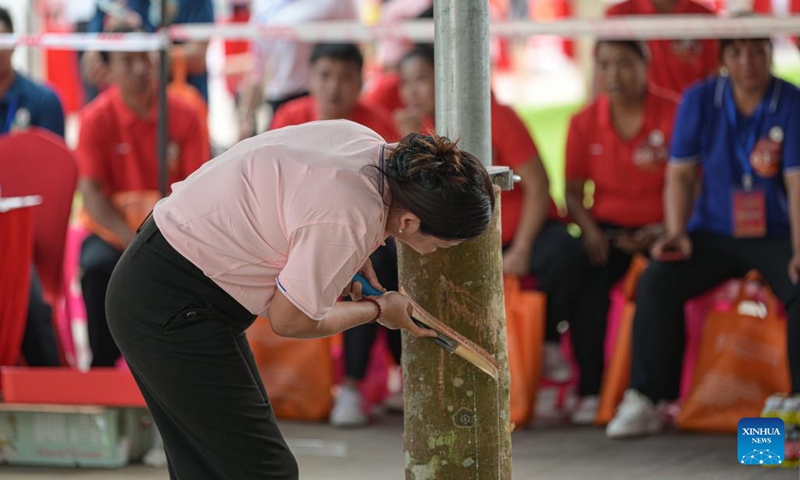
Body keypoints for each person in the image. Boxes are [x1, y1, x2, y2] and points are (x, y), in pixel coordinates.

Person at [105, 121, 495, 478]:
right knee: (264, 471)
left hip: (170, 279)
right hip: (167, 302)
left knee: (212, 468)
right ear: (410, 223)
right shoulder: (350, 217)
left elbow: (307, 201)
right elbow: (289, 320)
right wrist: (378, 310)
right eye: (442, 245)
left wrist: (350, 259)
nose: (436, 253)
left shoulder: (370, 147)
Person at [606, 33, 800, 438]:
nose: (746, 60)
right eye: (736, 50)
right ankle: (650, 398)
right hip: (710, 231)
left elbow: (797, 182)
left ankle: (796, 404)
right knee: (659, 278)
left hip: (776, 234)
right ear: (723, 56)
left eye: (756, 49)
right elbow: (679, 172)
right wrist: (676, 231)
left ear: (770, 52)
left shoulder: (791, 100)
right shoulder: (699, 98)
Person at [394, 44, 582, 387]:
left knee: (565, 254)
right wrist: (406, 141)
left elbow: (538, 184)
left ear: (448, 79)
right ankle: (407, 365)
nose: (412, 91)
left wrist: (522, 249)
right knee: (389, 261)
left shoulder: (495, 115)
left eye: (422, 78)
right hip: (456, 235)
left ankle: (548, 342)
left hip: (519, 233)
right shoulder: (414, 129)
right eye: (405, 82)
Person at [271, 42, 401, 427]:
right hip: (294, 230)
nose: (334, 87)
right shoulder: (289, 117)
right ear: (309, 78)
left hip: (360, 234)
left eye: (346, 78)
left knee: (377, 264)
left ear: (362, 80)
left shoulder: (378, 122)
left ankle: (353, 385)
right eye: (325, 76)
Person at [76, 28, 210, 369]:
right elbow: (91, 195)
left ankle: (182, 369)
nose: (139, 69)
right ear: (107, 69)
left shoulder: (186, 112)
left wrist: (159, 239)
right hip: (115, 234)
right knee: (95, 267)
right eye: (126, 61)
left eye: (144, 58)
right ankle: (102, 368)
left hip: (174, 233)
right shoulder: (94, 119)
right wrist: (130, 240)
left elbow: (200, 188)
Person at [565, 40, 680, 425]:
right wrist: (592, 231)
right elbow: (572, 192)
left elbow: (693, 183)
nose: (614, 74)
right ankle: (590, 390)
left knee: (664, 285)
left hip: (665, 226)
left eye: (625, 64)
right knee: (585, 284)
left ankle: (661, 395)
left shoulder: (674, 113)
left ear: (646, 64)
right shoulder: (583, 121)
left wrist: (666, 227)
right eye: (605, 65)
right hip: (608, 232)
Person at [0, 6, 65, 367]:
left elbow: (56, 184)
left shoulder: (44, 101)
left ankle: (50, 387)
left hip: (26, 235)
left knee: (25, 289)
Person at [237, 0, 358, 139]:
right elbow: (257, 68)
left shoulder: (336, 3)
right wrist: (246, 116)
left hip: (318, 98)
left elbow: (352, 49)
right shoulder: (265, 4)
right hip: (277, 99)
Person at [82, 0, 214, 102]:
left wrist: (142, 54)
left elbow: (198, 55)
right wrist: (113, 35)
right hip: (123, 109)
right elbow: (91, 62)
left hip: (179, 102)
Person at [606, 0, 719, 95]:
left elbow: (714, 79)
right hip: (637, 117)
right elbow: (602, 76)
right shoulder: (619, 15)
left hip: (691, 117)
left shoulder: (704, 17)